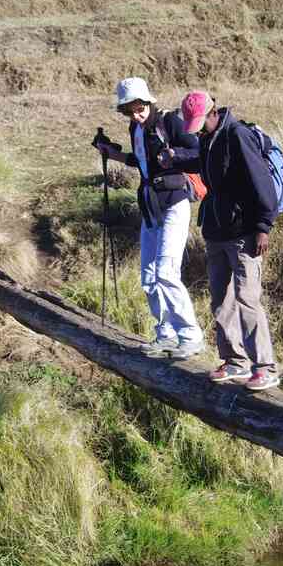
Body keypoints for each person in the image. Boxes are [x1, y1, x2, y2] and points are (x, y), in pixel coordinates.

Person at [166, 91, 280, 391]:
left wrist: (263, 227)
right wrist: (175, 158)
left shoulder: (237, 135)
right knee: (221, 300)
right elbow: (203, 164)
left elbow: (261, 182)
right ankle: (234, 361)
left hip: (243, 233)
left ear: (213, 113)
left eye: (200, 123)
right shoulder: (208, 137)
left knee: (247, 299)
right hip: (216, 231)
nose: (197, 129)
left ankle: (265, 367)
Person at [95, 76, 205, 359]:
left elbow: (198, 151)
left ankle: (190, 336)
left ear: (148, 101)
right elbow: (141, 162)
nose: (136, 113)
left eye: (139, 106)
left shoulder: (170, 122)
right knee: (148, 277)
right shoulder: (136, 128)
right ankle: (165, 333)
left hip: (174, 204)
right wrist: (113, 154)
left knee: (166, 272)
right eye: (129, 109)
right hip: (150, 207)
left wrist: (175, 155)